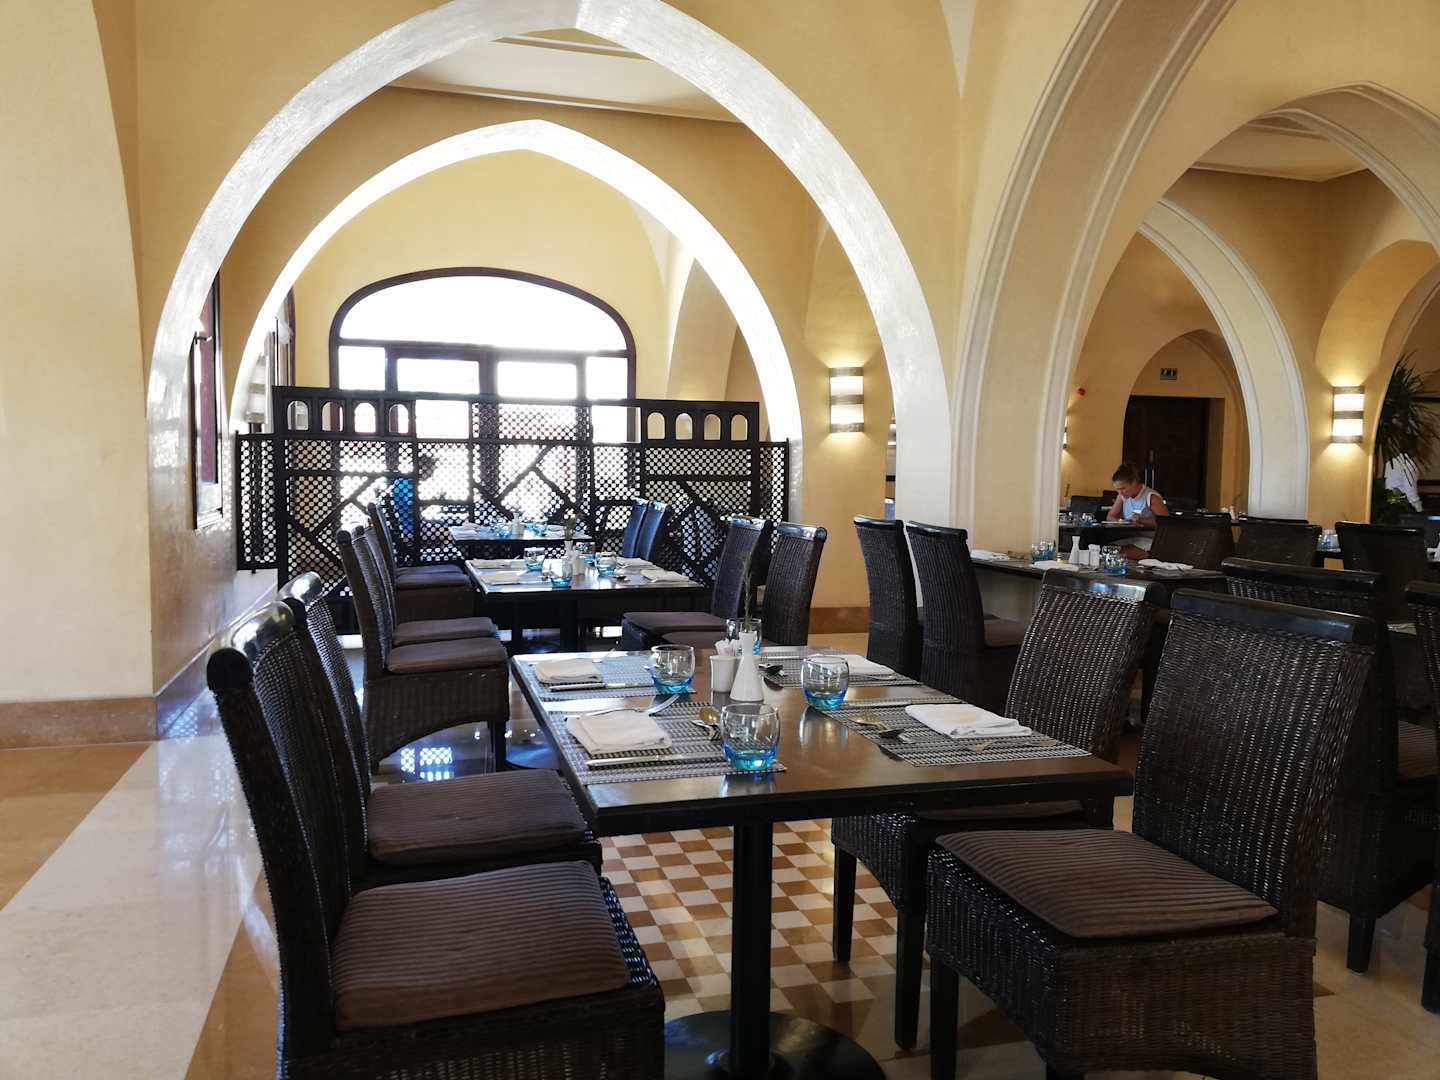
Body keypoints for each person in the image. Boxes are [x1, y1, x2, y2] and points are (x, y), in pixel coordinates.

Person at [1106, 462, 1168, 559]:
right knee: (1108, 548)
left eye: (1123, 488)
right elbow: (1110, 516)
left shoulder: (1151, 497)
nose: (1120, 492)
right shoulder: (1122, 496)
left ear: (1134, 482)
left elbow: (1167, 523)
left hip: (1150, 539)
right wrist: (1120, 521)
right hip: (1131, 537)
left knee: (1122, 552)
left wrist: (1142, 520)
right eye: (1118, 490)